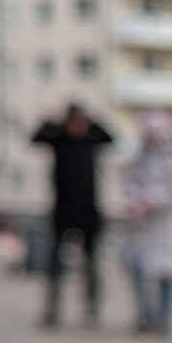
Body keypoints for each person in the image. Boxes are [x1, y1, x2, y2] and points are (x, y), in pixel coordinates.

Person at [32, 105, 114, 328]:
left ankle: (91, 310)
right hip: (63, 211)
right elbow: (36, 137)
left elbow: (110, 138)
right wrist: (56, 123)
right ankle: (52, 310)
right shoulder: (60, 140)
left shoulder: (91, 139)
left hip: (88, 211)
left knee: (91, 266)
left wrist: (92, 121)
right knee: (54, 265)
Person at [122, 112, 172, 334]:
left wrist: (151, 199)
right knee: (136, 269)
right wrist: (134, 198)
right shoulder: (139, 157)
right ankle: (146, 315)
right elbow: (128, 181)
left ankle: (164, 320)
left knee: (167, 276)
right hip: (142, 227)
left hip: (167, 227)